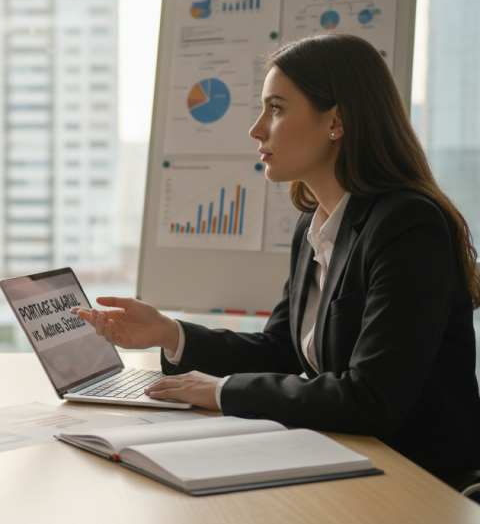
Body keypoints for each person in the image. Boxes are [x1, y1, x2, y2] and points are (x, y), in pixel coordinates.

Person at [73, 33, 480, 480]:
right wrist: (171, 334)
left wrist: (224, 391)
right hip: (342, 457)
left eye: (277, 108)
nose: (257, 129)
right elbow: (283, 351)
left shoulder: (407, 225)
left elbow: (372, 399)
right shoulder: (314, 224)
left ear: (336, 121)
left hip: (419, 481)